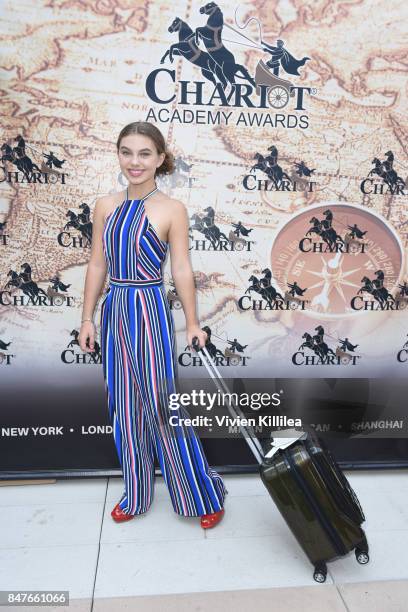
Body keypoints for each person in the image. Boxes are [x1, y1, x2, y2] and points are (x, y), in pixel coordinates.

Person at [79, 121, 227, 528]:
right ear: (118, 155)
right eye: (126, 152)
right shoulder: (104, 205)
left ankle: (201, 493)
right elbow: (97, 264)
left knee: (162, 406)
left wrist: (194, 323)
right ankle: (137, 493)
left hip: (149, 307)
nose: (134, 161)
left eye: (144, 153)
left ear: (161, 159)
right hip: (114, 310)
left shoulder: (172, 209)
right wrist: (87, 318)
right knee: (124, 407)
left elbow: (180, 267)